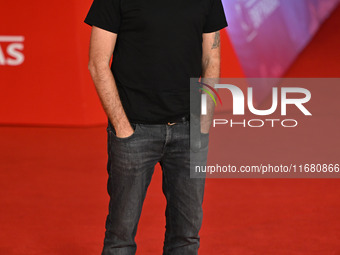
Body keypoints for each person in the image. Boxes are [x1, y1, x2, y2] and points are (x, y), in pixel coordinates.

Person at [84, 0, 227, 254]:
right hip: (134, 132)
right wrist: (122, 127)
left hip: (189, 131)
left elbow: (211, 58)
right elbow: (97, 63)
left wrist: (203, 125)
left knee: (186, 237)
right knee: (120, 237)